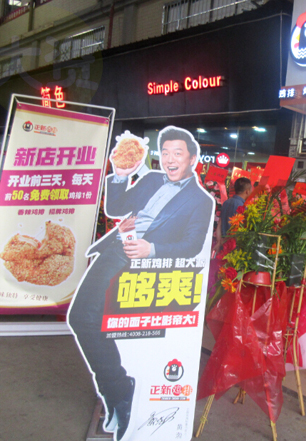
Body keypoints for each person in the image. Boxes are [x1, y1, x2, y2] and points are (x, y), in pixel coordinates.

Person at [68, 126, 214, 441]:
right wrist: (120, 175)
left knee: (108, 323)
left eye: (178, 153)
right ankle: (119, 388)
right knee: (81, 316)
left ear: (192, 158)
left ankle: (120, 392)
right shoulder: (151, 180)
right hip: (118, 250)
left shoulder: (201, 201)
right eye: (166, 153)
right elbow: (116, 208)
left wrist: (152, 249)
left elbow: (192, 245)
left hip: (150, 266)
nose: (170, 159)